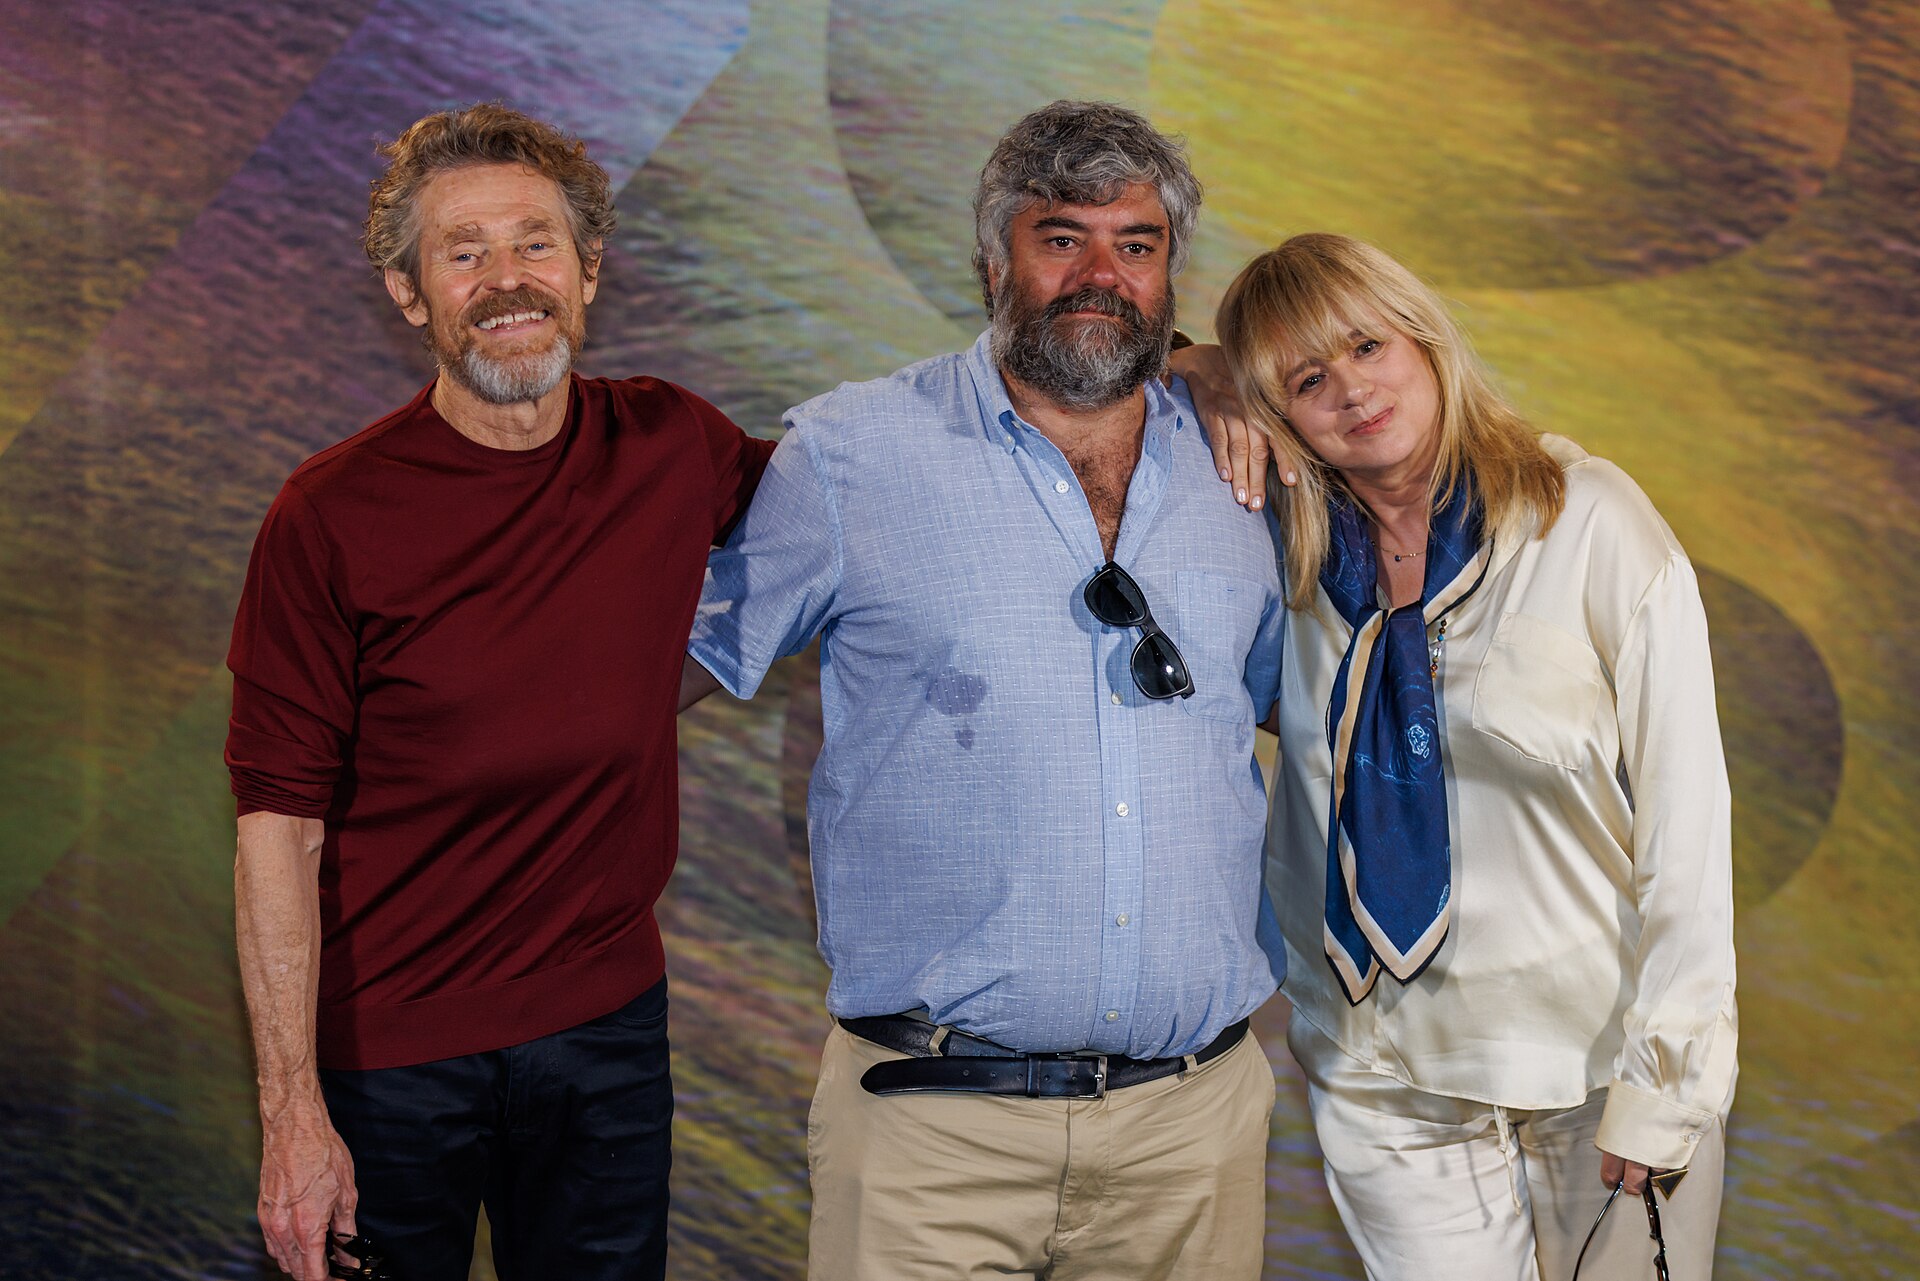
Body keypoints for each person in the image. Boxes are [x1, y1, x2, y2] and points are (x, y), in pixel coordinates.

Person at [681, 100, 1287, 1280]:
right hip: (929, 1136)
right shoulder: (849, 455)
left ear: (1172, 273)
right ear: (992, 262)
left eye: (1137, 244)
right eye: (1062, 239)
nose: (1101, 274)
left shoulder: (1248, 468)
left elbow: (1311, 708)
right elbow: (668, 669)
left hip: (1190, 1134)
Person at [227, 104, 773, 1281]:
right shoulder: (328, 515)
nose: (507, 280)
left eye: (535, 243)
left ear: (587, 271)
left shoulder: (671, 444)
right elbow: (278, 828)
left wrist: (1161, 376)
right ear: (408, 293)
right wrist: (292, 1114)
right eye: (463, 252)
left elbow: (868, 499)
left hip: (608, 1033)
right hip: (388, 1058)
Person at [1193, 232, 1737, 1279]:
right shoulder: (1279, 554)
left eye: (1368, 346)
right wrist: (1201, 367)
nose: (1352, 391)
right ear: (1276, 417)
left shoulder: (1587, 521)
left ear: (1426, 339)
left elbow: (1690, 825)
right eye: (1308, 380)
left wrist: (1667, 1085)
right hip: (1382, 1083)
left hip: (1593, 1069)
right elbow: (1103, 363)